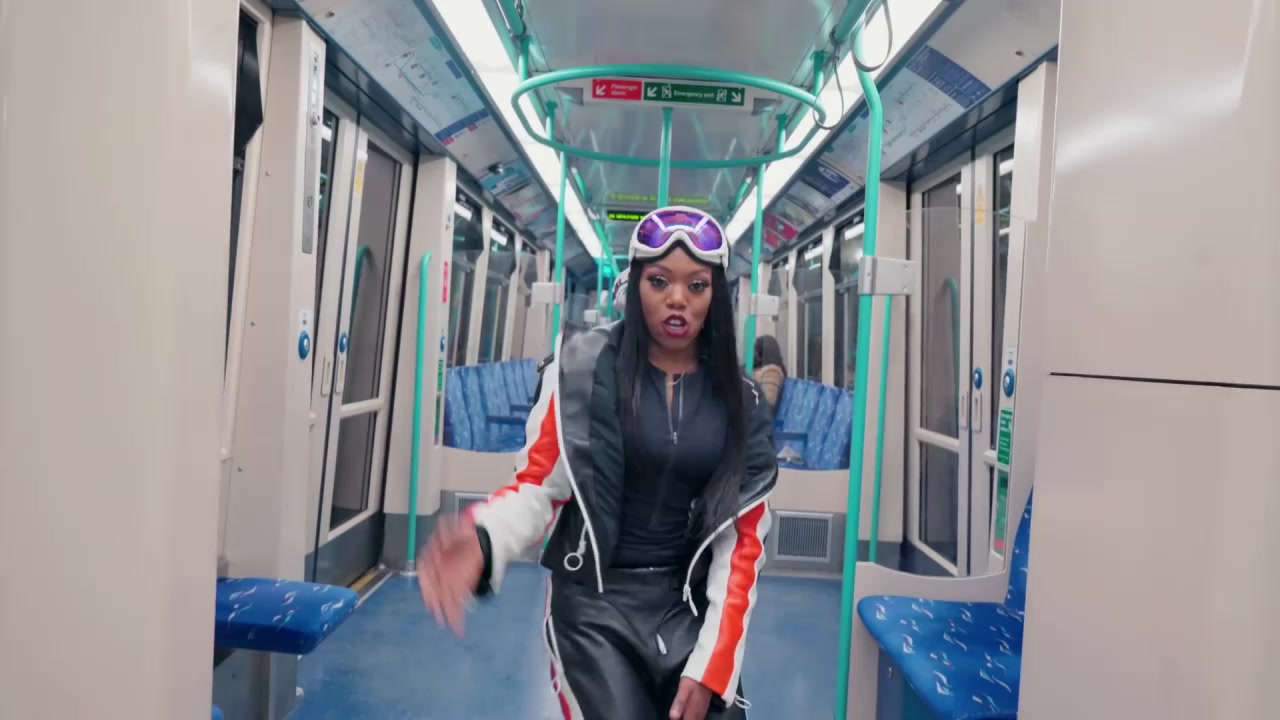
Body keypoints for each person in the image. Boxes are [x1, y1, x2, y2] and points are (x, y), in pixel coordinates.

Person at [418, 206, 778, 720]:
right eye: (659, 281)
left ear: (715, 297)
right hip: (593, 601)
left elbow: (740, 542)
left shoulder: (741, 401)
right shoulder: (580, 371)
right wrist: (484, 535)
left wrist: (712, 664)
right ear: (636, 286)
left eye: (697, 285)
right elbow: (539, 485)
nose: (677, 298)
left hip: (689, 601)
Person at [751, 335, 787, 416]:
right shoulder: (760, 369)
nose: (753, 354)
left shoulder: (772, 372)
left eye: (755, 351)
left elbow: (768, 404)